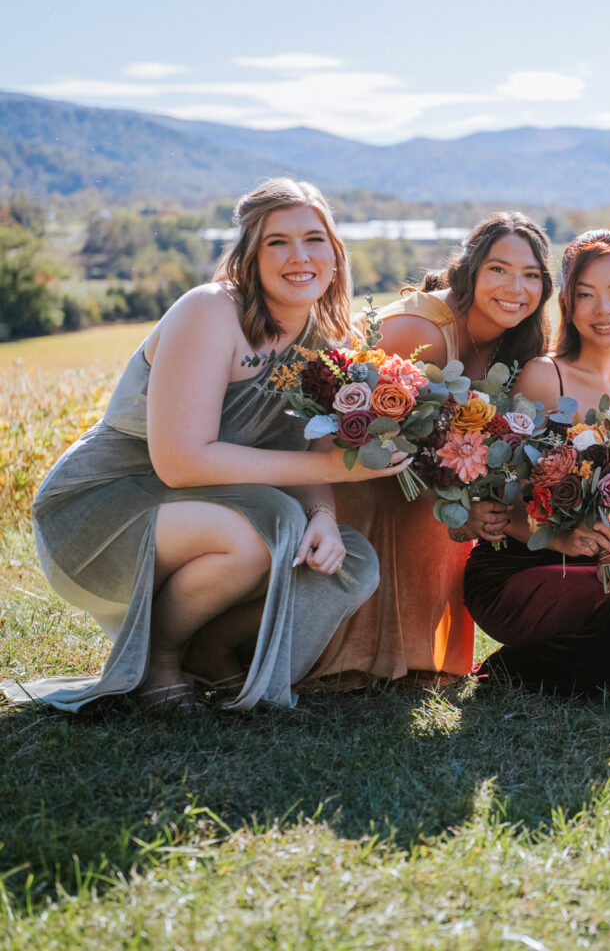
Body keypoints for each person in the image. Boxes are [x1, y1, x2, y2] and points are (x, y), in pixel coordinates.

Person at [3, 178, 405, 712]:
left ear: (335, 252)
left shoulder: (329, 339)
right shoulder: (211, 311)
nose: (300, 256)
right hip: (104, 507)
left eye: (314, 239)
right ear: (249, 256)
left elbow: (311, 453)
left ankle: (209, 651)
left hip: (206, 510)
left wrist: (324, 516)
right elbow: (181, 462)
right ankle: (157, 659)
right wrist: (343, 469)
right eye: (277, 242)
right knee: (262, 533)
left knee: (347, 561)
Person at [300, 213, 553, 689]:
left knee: (442, 501)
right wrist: (460, 502)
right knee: (415, 501)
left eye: (531, 274)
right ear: (469, 270)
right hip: (339, 462)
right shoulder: (424, 331)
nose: (515, 287)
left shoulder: (518, 341)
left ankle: (420, 658)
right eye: (499, 269)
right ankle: (345, 655)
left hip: (416, 464)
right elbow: (344, 432)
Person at [465, 230, 610, 694]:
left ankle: (576, 659)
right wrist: (562, 538)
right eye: (586, 295)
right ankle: (508, 672)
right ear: (567, 304)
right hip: (516, 565)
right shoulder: (545, 377)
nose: (603, 309)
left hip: (594, 565)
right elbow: (500, 499)